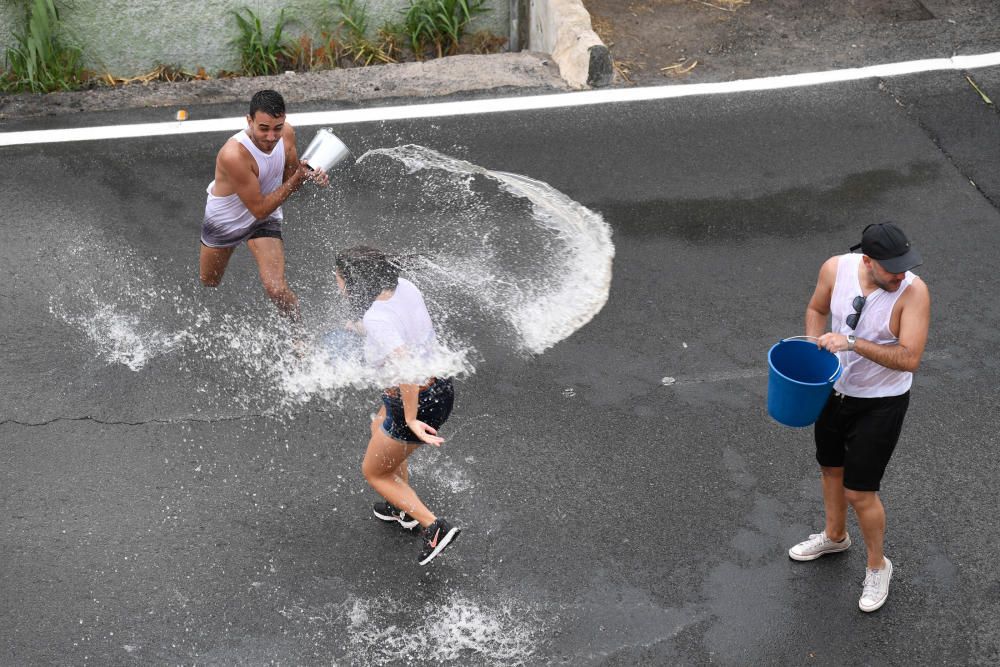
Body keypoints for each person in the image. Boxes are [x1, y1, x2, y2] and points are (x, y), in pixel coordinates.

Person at [788, 222, 930, 612]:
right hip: (835, 393)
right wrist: (815, 354)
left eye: (905, 265)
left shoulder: (912, 293)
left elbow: (909, 358)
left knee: (859, 492)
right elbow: (816, 308)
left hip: (881, 402)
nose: (900, 274)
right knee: (830, 469)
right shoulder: (835, 268)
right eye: (892, 268)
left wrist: (851, 343)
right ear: (867, 260)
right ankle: (835, 536)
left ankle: (878, 565)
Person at [334, 246, 461, 565]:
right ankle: (400, 508)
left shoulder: (377, 317)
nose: (336, 281)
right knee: (378, 426)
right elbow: (405, 328)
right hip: (439, 384)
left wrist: (411, 417)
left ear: (357, 283)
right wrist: (364, 329)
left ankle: (433, 527)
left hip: (417, 400)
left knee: (375, 472)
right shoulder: (404, 287)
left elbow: (406, 368)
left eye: (340, 277)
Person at [199, 89, 329, 321]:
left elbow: (289, 184)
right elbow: (258, 207)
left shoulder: (287, 135)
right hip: (226, 219)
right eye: (263, 128)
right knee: (209, 280)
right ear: (249, 121)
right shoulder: (233, 154)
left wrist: (308, 173)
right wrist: (297, 178)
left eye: (277, 127)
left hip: (265, 215)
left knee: (276, 289)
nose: (271, 137)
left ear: (284, 122)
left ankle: (299, 335)